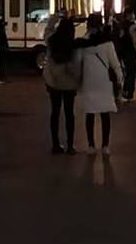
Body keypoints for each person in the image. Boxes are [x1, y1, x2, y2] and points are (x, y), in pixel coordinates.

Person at [76, 13, 123, 155]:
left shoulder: (83, 43)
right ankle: (105, 145)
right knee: (105, 114)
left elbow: (78, 63)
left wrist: (77, 81)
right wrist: (119, 78)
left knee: (90, 113)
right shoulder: (107, 43)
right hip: (104, 82)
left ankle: (91, 145)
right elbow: (114, 62)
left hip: (89, 81)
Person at [43, 16, 81, 154]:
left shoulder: (51, 41)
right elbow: (75, 67)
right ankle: (70, 145)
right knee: (69, 114)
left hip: (54, 83)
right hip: (69, 84)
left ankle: (55, 144)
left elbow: (47, 31)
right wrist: (77, 80)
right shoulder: (73, 46)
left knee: (55, 112)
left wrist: (53, 18)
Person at [115, 13, 136, 101]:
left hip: (123, 52)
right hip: (130, 51)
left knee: (126, 71)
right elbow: (135, 40)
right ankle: (129, 91)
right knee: (131, 72)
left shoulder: (120, 25)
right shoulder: (132, 26)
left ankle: (124, 89)